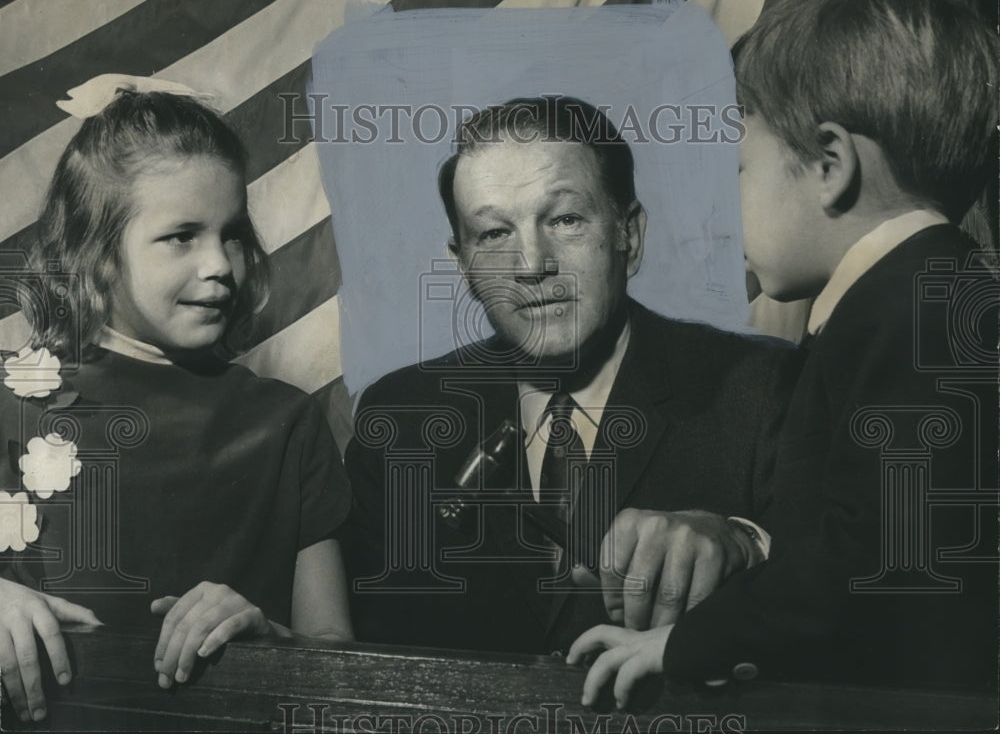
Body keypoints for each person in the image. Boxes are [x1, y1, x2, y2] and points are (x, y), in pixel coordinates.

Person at [569, 0, 1000, 704]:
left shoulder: (920, 317)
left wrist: (688, 642)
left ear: (830, 167)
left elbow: (878, 561)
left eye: (739, 168)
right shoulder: (921, 303)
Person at [344, 96, 802, 654]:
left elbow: (844, 612)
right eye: (493, 235)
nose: (532, 265)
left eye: (564, 220)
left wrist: (745, 543)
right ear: (462, 264)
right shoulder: (398, 419)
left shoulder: (761, 388)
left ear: (627, 236)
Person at [0, 82, 353, 723]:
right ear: (96, 254)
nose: (220, 262)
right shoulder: (9, 405)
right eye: (182, 236)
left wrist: (270, 640)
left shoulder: (288, 424)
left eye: (233, 234)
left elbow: (336, 661)